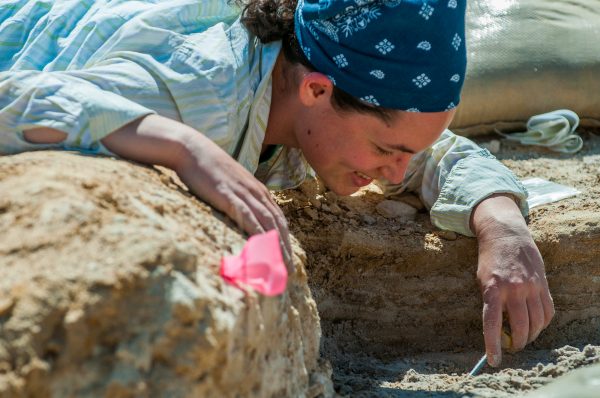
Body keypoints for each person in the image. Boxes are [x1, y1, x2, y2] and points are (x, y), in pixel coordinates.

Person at [0, 0, 553, 367]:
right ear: (316, 91)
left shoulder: (312, 97)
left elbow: (445, 158)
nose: (396, 175)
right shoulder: (197, 90)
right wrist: (182, 146)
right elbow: (15, 95)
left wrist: (502, 223)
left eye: (410, 153)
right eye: (387, 151)